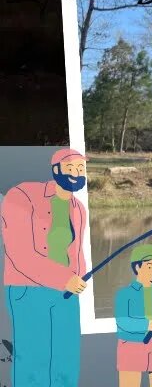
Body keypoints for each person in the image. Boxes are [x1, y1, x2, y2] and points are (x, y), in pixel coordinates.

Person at [1, 149, 89, 387]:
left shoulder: (78, 207)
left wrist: (80, 275)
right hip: (28, 290)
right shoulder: (22, 195)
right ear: (56, 169)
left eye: (81, 169)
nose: (77, 173)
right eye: (71, 167)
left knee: (65, 359)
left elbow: (76, 249)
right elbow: (20, 254)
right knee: (34, 360)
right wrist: (63, 278)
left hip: (67, 293)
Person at [114, 244, 152, 387]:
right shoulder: (124, 294)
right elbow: (123, 322)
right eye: (150, 265)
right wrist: (147, 325)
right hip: (131, 346)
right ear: (137, 267)